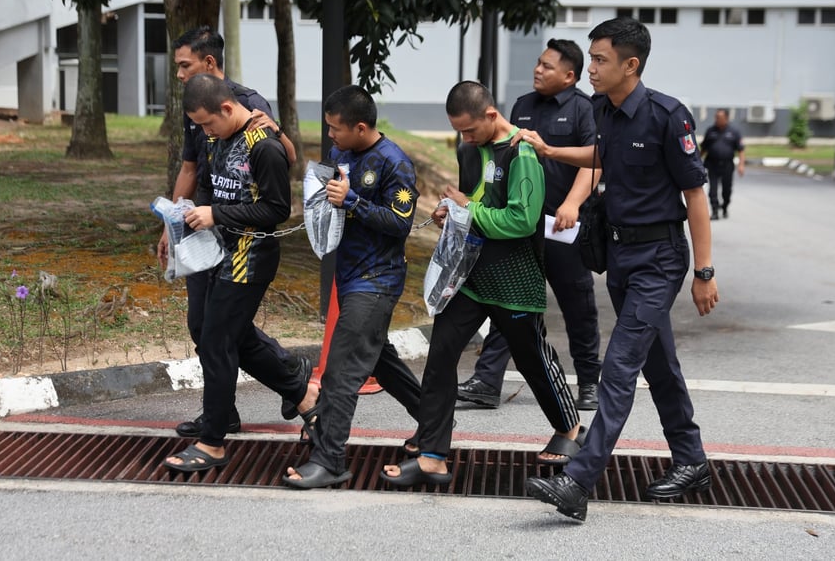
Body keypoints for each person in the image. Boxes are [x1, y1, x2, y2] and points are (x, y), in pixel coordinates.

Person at [523, 17, 719, 523]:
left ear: (631, 65)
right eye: (591, 58)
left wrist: (704, 271)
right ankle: (692, 459)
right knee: (660, 365)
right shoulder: (602, 111)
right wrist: (551, 149)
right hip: (622, 257)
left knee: (620, 367)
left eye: (600, 59)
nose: (591, 68)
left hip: (660, 258)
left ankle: (577, 481)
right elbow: (600, 157)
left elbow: (695, 194)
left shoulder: (665, 115)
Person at [380, 80, 583, 488]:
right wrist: (450, 210)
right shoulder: (474, 149)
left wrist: (466, 209)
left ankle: (570, 429)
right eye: (459, 131)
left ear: (491, 115)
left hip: (515, 280)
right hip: (470, 277)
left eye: (470, 130)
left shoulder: (522, 153)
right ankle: (434, 456)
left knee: (532, 358)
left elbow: (521, 221)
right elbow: (475, 195)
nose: (465, 138)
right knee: (440, 357)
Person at [162, 74, 317, 472]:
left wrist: (217, 214)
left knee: (217, 341)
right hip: (216, 252)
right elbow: (213, 189)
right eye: (198, 126)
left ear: (227, 109)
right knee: (227, 335)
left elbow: (276, 210)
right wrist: (186, 216)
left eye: (208, 123)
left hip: (251, 257)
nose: (203, 132)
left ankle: (213, 442)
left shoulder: (263, 146)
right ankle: (304, 396)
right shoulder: (216, 139)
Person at [282, 86, 423, 489]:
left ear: (361, 127)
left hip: (377, 280)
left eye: (335, 129)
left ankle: (330, 460)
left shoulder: (396, 163)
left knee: (342, 370)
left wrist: (353, 201)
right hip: (349, 275)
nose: (330, 136)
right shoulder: (343, 155)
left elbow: (401, 224)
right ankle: (435, 423)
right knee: (380, 361)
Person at [457, 38, 602, 417]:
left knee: (577, 304)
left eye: (548, 66)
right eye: (538, 63)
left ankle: (588, 381)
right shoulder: (522, 106)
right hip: (518, 227)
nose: (538, 70)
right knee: (509, 301)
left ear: (569, 76)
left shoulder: (583, 109)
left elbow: (597, 160)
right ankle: (487, 382)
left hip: (560, 225)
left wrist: (573, 203)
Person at [700, 108, 745, 220]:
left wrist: (741, 165)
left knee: (727, 190)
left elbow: (741, 150)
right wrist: (697, 162)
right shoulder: (710, 131)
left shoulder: (734, 132)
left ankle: (725, 206)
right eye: (716, 117)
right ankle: (715, 210)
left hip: (727, 165)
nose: (717, 119)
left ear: (726, 118)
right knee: (713, 190)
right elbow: (704, 148)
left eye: (719, 118)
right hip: (712, 164)